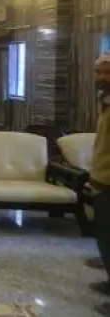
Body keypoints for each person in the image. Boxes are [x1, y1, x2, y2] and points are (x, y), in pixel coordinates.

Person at [90, 52, 110, 316]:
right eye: (100, 72)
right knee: (105, 237)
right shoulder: (105, 100)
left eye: (109, 73)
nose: (103, 77)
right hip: (103, 178)